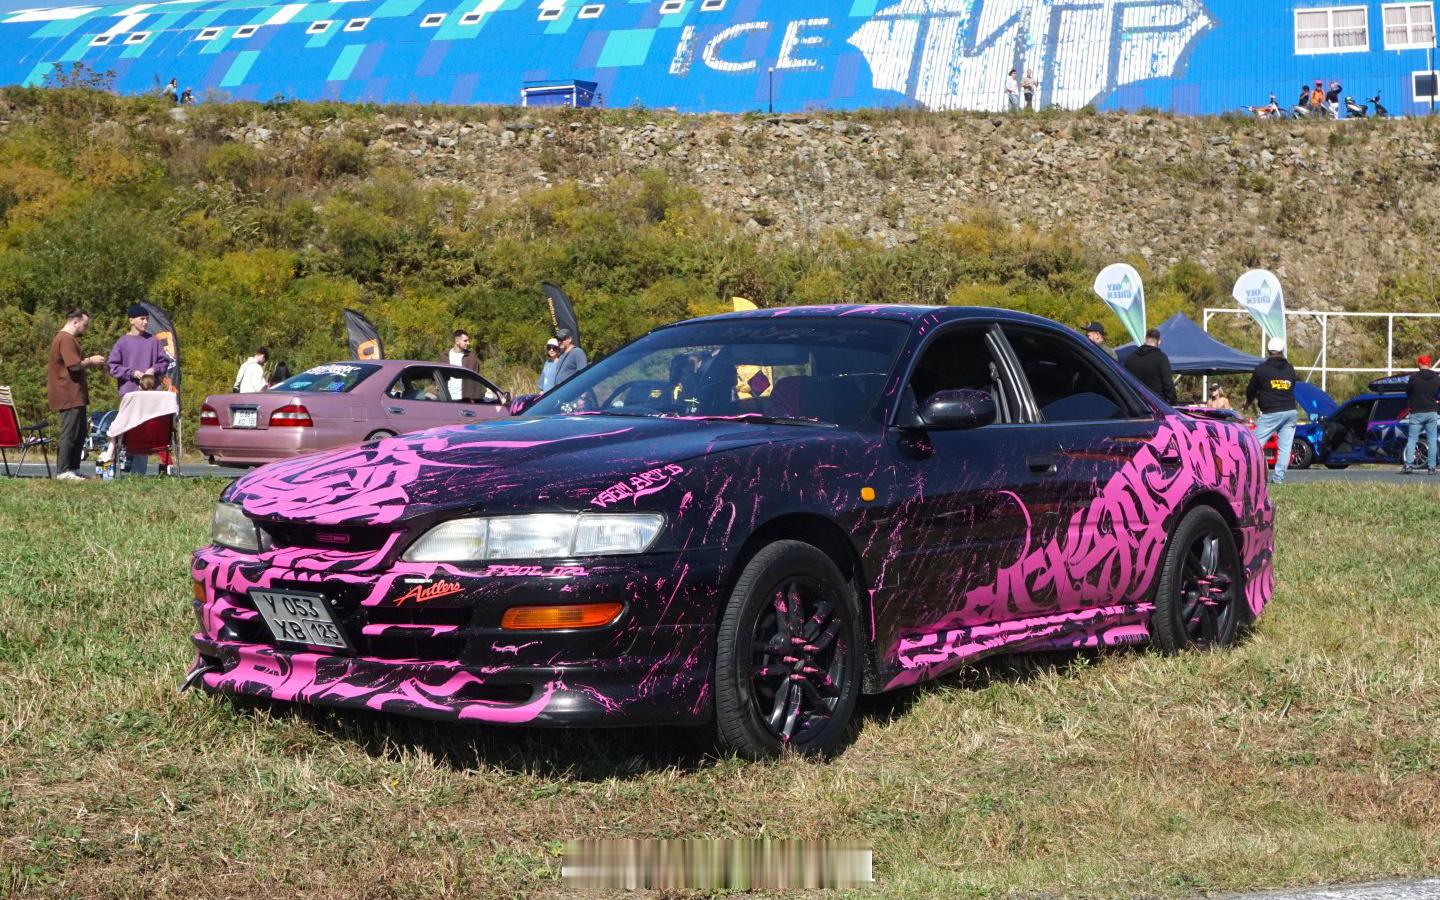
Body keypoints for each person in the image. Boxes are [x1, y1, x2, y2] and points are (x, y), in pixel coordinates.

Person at [107, 304, 170, 474]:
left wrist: (153, 370)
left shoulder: (153, 341)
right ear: (131, 320)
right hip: (129, 394)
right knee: (127, 431)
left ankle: (138, 474)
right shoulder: (122, 342)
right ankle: (119, 465)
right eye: (142, 319)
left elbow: (164, 362)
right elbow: (112, 367)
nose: (145, 322)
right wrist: (132, 373)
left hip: (149, 395)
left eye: (147, 319)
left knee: (144, 432)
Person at [46, 309, 107, 482]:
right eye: (84, 325)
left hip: (74, 393)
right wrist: (91, 361)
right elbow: (74, 365)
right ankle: (63, 471)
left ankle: (73, 468)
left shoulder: (67, 338)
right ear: (75, 322)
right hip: (68, 393)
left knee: (79, 432)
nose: (85, 329)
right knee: (70, 432)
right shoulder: (65, 339)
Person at [1245, 337, 1299, 486]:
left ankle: (1249, 476)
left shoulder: (1262, 369)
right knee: (1285, 448)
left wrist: (1248, 401)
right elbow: (1292, 386)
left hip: (1271, 412)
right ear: (1282, 351)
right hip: (1290, 411)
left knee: (1254, 444)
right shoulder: (1290, 369)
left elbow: (1251, 389)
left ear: (1268, 351)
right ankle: (1278, 478)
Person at [1402, 355, 1439, 475]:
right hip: (1431, 411)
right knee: (1432, 440)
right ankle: (1432, 468)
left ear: (1419, 364)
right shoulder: (1436, 377)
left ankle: (1408, 465)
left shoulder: (1414, 378)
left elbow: (1408, 392)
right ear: (1429, 364)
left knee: (1412, 439)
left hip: (1416, 412)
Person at [1123, 328, 1177, 405]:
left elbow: (1125, 382)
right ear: (1159, 341)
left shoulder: (1130, 357)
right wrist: (1172, 402)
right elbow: (1168, 384)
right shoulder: (1161, 358)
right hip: (1156, 405)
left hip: (1136, 404)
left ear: (1145, 339)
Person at [438, 329, 485, 400]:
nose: (468, 343)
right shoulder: (444, 356)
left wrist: (477, 398)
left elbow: (477, 379)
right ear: (457, 341)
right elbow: (438, 376)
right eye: (465, 341)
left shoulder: (472, 357)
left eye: (468, 340)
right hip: (446, 398)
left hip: (466, 399)